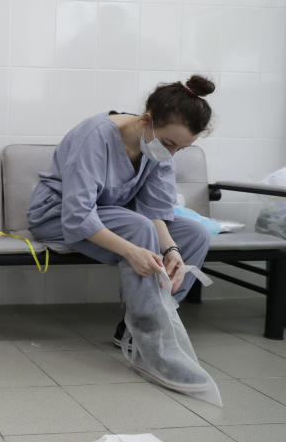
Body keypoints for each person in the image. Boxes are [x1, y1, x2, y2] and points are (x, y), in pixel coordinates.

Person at [27, 76, 217, 395]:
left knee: (194, 234)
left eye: (181, 148)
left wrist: (171, 250)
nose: (172, 154)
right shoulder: (96, 137)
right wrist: (132, 251)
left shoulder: (158, 150)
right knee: (138, 229)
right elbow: (78, 215)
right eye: (170, 144)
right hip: (57, 215)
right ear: (147, 120)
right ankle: (149, 347)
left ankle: (135, 329)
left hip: (116, 217)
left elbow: (154, 210)